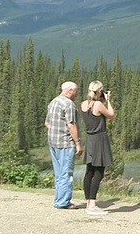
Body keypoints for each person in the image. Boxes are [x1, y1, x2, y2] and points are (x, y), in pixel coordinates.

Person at [80, 80, 116, 215]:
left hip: (89, 139)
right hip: (100, 138)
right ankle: (93, 205)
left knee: (89, 171)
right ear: (99, 91)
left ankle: (88, 203)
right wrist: (109, 101)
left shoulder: (83, 104)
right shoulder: (99, 105)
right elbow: (111, 115)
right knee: (99, 171)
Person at [45, 81, 81, 209]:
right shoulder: (69, 104)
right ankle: (63, 202)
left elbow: (47, 123)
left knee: (59, 173)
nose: (76, 93)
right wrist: (77, 143)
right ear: (69, 90)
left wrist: (55, 131)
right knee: (66, 173)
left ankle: (59, 200)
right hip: (65, 143)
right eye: (75, 90)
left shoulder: (53, 102)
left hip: (53, 142)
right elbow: (71, 125)